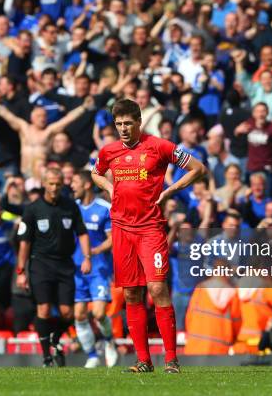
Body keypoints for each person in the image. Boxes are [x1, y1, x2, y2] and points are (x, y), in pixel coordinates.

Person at [92, 99, 207, 373]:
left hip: (150, 229)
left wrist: (170, 190)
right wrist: (109, 187)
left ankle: (171, 359)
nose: (122, 128)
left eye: (127, 123)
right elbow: (95, 173)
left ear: (139, 121)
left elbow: (198, 168)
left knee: (157, 289)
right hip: (121, 228)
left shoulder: (159, 146)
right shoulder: (109, 151)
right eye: (118, 123)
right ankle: (143, 360)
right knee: (131, 293)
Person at [16, 167, 92, 367]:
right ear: (43, 184)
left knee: (68, 313)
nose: (54, 187)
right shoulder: (32, 209)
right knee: (44, 309)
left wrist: (87, 257)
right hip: (40, 264)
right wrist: (21, 271)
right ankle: (46, 357)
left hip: (65, 264)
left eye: (58, 184)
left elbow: (82, 233)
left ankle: (55, 339)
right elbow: (24, 242)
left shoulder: (70, 206)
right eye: (50, 183)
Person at [70, 170, 118, 368]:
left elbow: (113, 239)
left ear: (87, 184)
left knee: (98, 314)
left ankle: (109, 342)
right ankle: (91, 355)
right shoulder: (72, 209)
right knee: (79, 314)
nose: (71, 186)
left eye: (74, 182)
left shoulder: (104, 208)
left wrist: (94, 251)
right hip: (76, 269)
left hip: (98, 269)